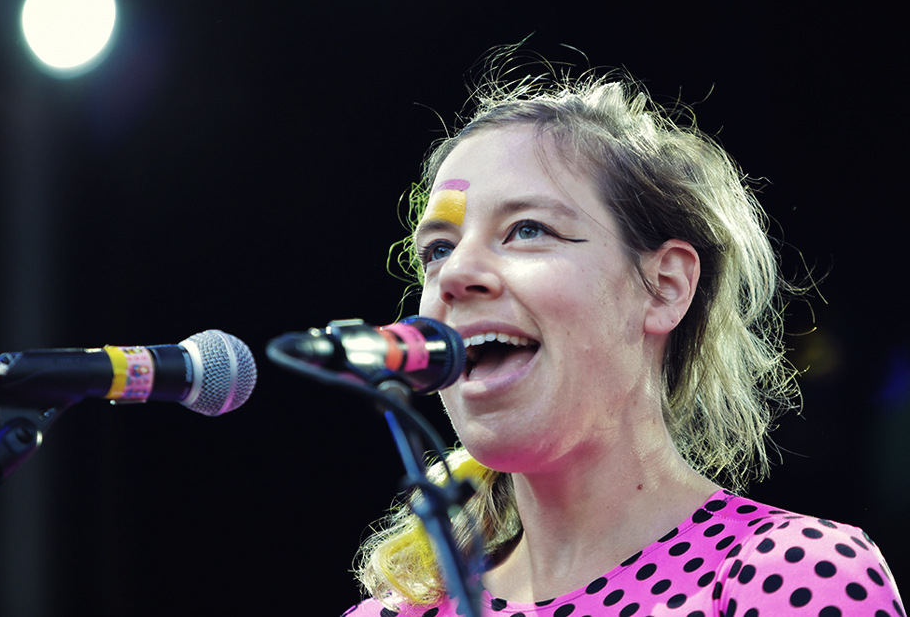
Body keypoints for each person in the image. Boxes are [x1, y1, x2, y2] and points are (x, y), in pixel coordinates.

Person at [343, 67, 905, 617]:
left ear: (663, 287)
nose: (456, 273)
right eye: (438, 249)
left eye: (528, 229)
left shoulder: (787, 573)